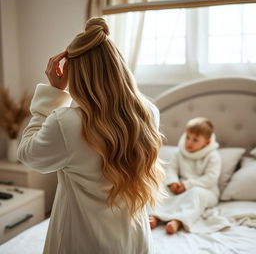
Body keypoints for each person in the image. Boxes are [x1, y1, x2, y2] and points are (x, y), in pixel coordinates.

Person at [17, 17, 165, 254]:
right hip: (133, 238)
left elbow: (27, 155)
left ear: (76, 74)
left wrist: (52, 94)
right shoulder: (148, 114)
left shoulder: (66, 123)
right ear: (119, 67)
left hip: (84, 242)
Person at [148, 117, 221, 234]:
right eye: (187, 137)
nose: (189, 142)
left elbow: (210, 178)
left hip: (205, 190)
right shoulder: (179, 152)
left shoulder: (213, 156)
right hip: (179, 187)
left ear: (207, 142)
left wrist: (187, 185)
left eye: (195, 140)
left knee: (195, 194)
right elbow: (171, 169)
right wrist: (173, 182)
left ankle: (178, 220)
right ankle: (155, 216)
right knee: (161, 188)